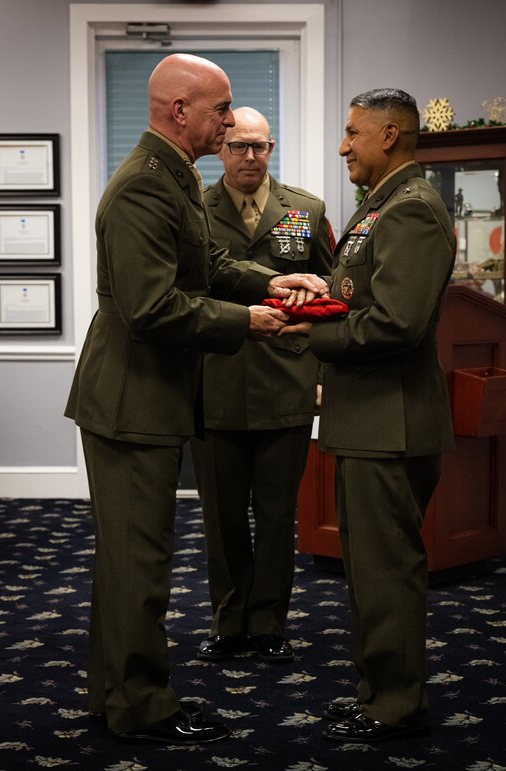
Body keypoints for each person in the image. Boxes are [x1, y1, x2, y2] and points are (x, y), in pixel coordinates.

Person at [64, 53, 328, 747]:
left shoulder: (171, 176)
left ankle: (113, 691)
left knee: (128, 557)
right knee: (139, 561)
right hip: (131, 399)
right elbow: (152, 308)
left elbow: (205, 265)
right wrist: (249, 322)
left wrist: (266, 285)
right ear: (179, 111)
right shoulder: (145, 188)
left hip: (145, 394)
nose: (230, 120)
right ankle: (142, 706)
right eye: (220, 107)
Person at [283, 89, 456, 743]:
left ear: (390, 134)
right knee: (368, 570)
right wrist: (318, 300)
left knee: (385, 572)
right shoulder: (379, 208)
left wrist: (305, 331)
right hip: (368, 419)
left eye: (352, 133)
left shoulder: (409, 210)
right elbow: (360, 296)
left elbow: (395, 325)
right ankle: (378, 691)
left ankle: (395, 705)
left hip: (391, 423)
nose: (342, 146)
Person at [190, 107, 333, 664]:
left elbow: (328, 295)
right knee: (222, 515)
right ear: (220, 148)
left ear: (271, 149)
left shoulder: (304, 209)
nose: (250, 157)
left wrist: (319, 372)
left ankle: (269, 622)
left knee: (277, 514)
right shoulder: (194, 208)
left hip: (286, 378)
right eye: (239, 147)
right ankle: (229, 621)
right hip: (217, 378)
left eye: (261, 147)